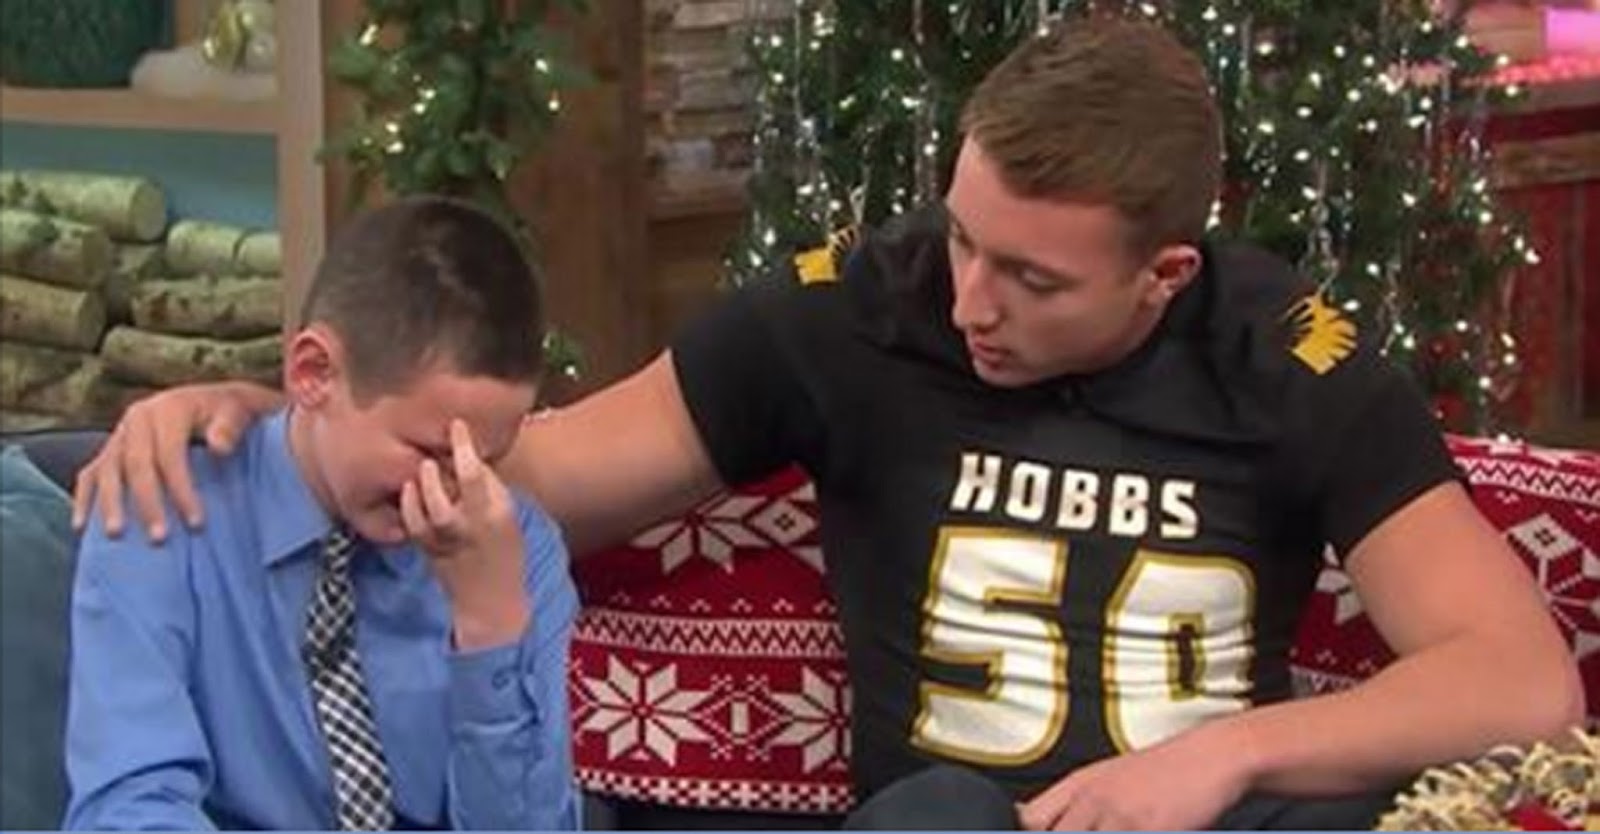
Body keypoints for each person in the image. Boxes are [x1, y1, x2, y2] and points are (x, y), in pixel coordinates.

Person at [75, 18, 1581, 831]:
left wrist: (1229, 760)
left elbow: (1518, 682)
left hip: (1214, 815)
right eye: (965, 237)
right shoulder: (855, 312)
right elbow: (521, 473)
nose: (971, 298)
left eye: (1033, 279)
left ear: (1164, 275)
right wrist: (277, 413)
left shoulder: (1285, 354)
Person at [64, 196, 581, 830]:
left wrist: (491, 625)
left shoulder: (513, 548)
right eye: (429, 452)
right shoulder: (163, 512)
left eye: (487, 460)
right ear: (313, 374)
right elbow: (130, 808)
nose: (452, 493)